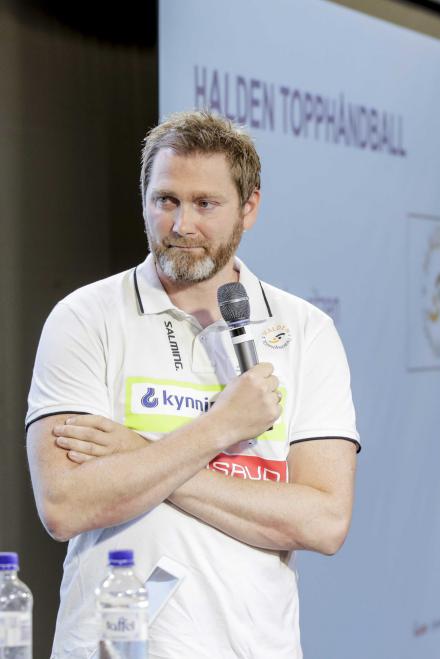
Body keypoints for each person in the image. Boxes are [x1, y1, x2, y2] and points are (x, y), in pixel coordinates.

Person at [25, 110, 360, 657]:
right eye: (166, 200)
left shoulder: (305, 330)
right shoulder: (85, 317)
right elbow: (65, 505)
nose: (182, 224)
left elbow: (323, 522)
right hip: (112, 646)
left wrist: (139, 453)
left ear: (249, 207)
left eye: (205, 204)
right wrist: (218, 430)